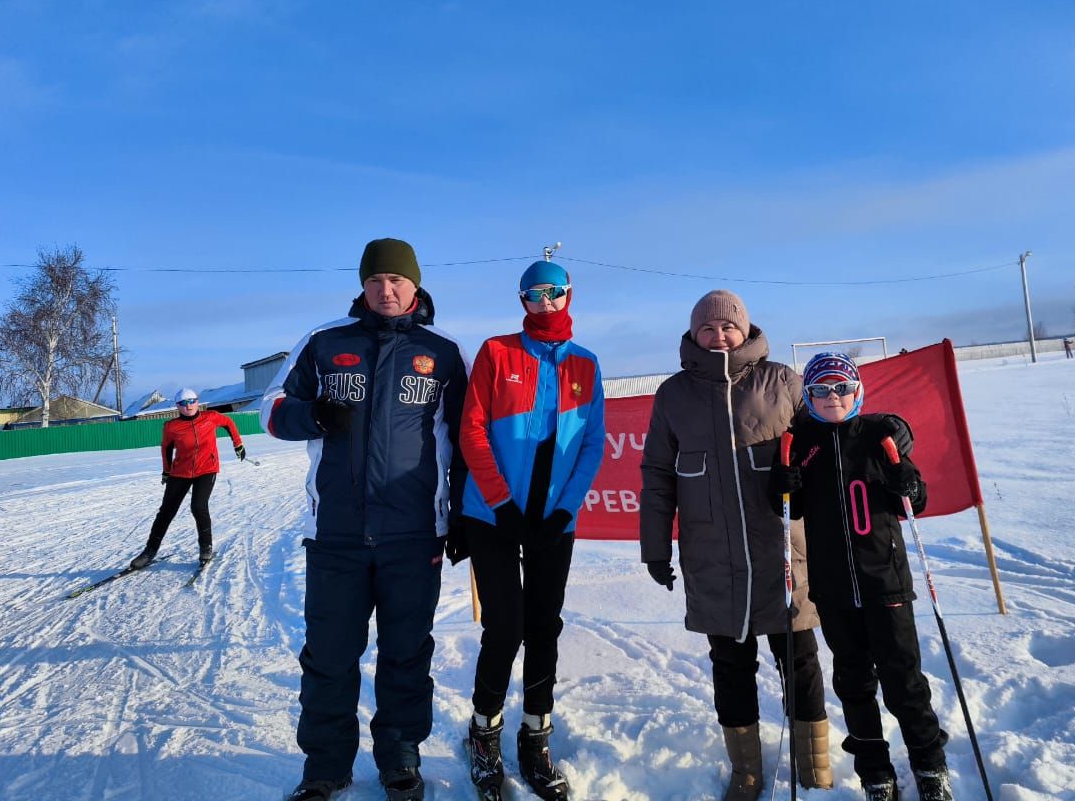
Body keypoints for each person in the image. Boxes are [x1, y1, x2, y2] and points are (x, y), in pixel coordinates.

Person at [260, 238, 469, 801]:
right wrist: (312, 413)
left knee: (406, 653)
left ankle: (400, 757)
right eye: (375, 280)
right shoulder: (325, 342)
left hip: (413, 535)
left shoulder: (444, 353)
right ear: (362, 285)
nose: (386, 290)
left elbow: (464, 439)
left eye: (396, 280)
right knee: (329, 655)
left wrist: (465, 515)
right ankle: (325, 767)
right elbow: (270, 410)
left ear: (415, 284)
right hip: (337, 536)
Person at [639, 290, 832, 801]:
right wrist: (655, 548)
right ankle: (745, 768)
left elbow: (826, 444)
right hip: (712, 557)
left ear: (745, 330)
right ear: (693, 334)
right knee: (730, 663)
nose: (719, 335)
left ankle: (814, 766)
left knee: (800, 658)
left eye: (728, 327)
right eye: (708, 328)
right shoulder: (673, 394)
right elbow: (658, 474)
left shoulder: (782, 381)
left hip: (782, 551)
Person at [769, 353, 951, 801]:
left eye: (841, 388)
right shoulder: (801, 441)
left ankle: (930, 767)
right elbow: (786, 504)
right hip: (832, 589)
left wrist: (905, 482)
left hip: (885, 583)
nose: (833, 397)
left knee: (904, 681)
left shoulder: (876, 434)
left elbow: (916, 500)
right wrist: (783, 484)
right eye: (821, 390)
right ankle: (876, 775)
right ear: (808, 395)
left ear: (857, 391)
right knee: (853, 683)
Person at [457, 258, 605, 801]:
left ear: (569, 296)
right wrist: (500, 501)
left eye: (554, 292)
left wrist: (564, 511)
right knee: (506, 627)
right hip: (492, 516)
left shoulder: (586, 365)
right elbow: (472, 429)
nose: (545, 303)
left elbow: (591, 445)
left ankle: (535, 737)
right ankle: (484, 734)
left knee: (545, 626)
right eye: (534, 294)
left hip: (552, 521)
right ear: (521, 301)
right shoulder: (496, 353)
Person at [130, 387, 245, 570]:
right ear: (177, 406)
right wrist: (167, 471)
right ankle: (149, 551)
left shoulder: (211, 417)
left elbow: (229, 423)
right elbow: (166, 448)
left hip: (207, 469)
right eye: (183, 403)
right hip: (180, 472)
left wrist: (237, 443)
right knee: (166, 511)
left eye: (191, 401)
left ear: (197, 402)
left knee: (198, 506)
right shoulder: (171, 426)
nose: (188, 406)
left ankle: (205, 547)